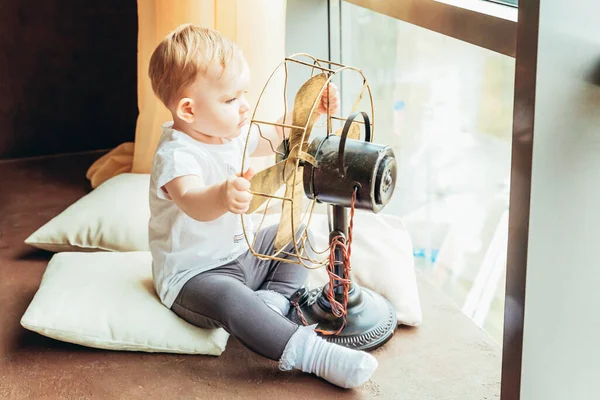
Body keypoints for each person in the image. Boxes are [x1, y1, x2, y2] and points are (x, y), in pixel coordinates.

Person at [147, 23, 378, 389]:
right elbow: (192, 202)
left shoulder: (229, 131)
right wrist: (221, 196)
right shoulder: (177, 155)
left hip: (244, 253)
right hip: (197, 275)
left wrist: (310, 114)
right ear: (188, 110)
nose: (244, 107)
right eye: (230, 100)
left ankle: (273, 301)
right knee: (232, 299)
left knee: (295, 232)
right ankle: (313, 355)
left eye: (244, 94)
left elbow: (273, 134)